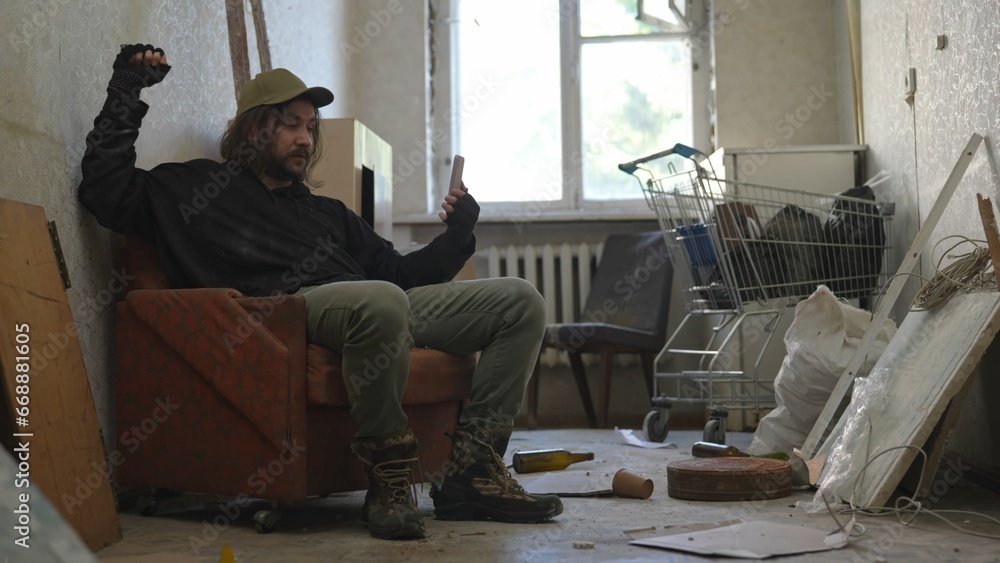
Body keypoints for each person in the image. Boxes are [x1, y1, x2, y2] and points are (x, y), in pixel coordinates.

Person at [78, 44, 562, 540]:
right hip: (288, 311)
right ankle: (390, 479)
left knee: (520, 300)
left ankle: (471, 472)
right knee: (379, 300)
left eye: (310, 127)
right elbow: (105, 190)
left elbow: (400, 273)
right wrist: (126, 88)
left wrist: (457, 237)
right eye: (290, 124)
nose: (305, 138)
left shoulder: (326, 212)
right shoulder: (196, 189)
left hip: (376, 304)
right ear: (253, 128)